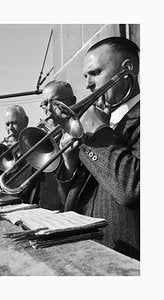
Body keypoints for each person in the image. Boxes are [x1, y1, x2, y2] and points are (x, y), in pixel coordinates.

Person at [56, 37, 140, 260]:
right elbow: (68, 202)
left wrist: (100, 131)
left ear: (127, 70)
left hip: (127, 258)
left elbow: (131, 189)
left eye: (95, 72)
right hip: (85, 253)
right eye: (85, 76)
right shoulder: (99, 124)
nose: (87, 84)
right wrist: (70, 163)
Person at [0, 105, 40, 204]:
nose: (10, 128)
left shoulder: (35, 148)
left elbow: (22, 187)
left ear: (26, 121)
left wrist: (21, 150)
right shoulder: (3, 151)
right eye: (7, 124)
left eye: (14, 123)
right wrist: (0, 162)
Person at [37, 81, 76, 211]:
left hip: (74, 212)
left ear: (72, 101)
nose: (48, 109)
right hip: (46, 211)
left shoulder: (83, 132)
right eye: (44, 104)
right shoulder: (43, 137)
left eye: (54, 102)